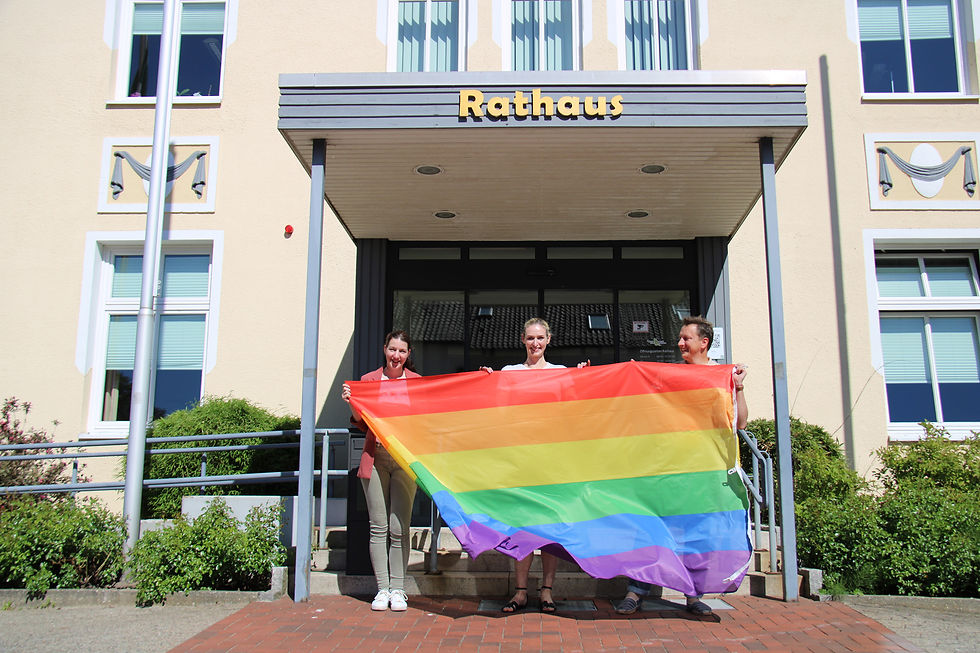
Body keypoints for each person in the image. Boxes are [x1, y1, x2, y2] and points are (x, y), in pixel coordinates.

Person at [615, 315, 748, 617]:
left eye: (686, 338)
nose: (679, 344)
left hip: (704, 474)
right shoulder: (673, 376)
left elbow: (739, 422)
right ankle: (636, 592)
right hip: (667, 470)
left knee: (698, 533)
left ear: (704, 343)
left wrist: (737, 388)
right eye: (680, 338)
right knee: (651, 528)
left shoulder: (722, 377)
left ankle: (693, 594)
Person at [481, 317, 589, 614]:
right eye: (530, 338)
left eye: (540, 338)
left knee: (550, 530)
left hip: (552, 464)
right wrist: (487, 382)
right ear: (522, 339)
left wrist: (582, 379)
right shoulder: (510, 372)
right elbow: (497, 408)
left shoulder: (561, 374)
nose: (535, 343)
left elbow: (575, 409)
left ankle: (547, 591)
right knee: (521, 528)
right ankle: (519, 592)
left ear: (549, 340)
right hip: (520, 463)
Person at [342, 330, 421, 612]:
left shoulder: (417, 384)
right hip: (375, 458)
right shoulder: (367, 381)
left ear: (408, 354)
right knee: (379, 527)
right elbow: (359, 422)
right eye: (392, 349)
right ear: (384, 349)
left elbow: (427, 418)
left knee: (400, 528)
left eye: (402, 351)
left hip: (404, 461)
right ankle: (382, 589)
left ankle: (399, 589)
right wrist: (353, 401)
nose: (396, 355)